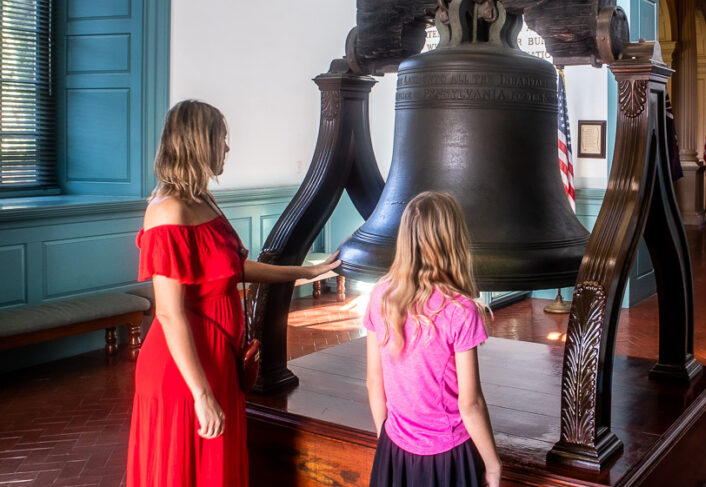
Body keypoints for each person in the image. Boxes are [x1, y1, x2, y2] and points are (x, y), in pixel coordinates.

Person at [127, 100, 340, 487]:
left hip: (218, 357)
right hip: (184, 367)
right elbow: (169, 313)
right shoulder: (167, 212)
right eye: (221, 140)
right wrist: (202, 393)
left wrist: (306, 271)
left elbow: (232, 268)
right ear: (199, 143)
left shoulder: (202, 199)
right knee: (185, 470)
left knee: (216, 470)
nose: (226, 148)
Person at [363, 191, 501, 487]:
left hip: (394, 448)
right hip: (447, 457)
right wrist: (493, 464)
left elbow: (374, 382)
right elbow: (471, 403)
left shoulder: (380, 296)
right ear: (453, 242)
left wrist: (386, 440)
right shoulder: (460, 311)